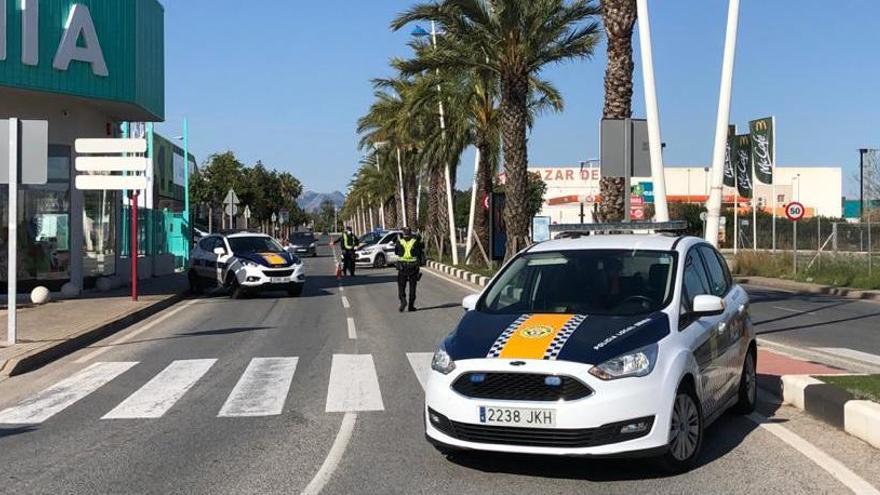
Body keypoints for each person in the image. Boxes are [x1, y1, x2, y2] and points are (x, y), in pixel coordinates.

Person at [394, 227, 423, 312]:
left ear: (404, 233)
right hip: (413, 267)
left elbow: (396, 252)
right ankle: (411, 306)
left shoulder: (400, 241)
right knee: (412, 287)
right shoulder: (415, 241)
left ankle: (403, 300)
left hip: (402, 267)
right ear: (410, 233)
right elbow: (420, 252)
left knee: (401, 286)